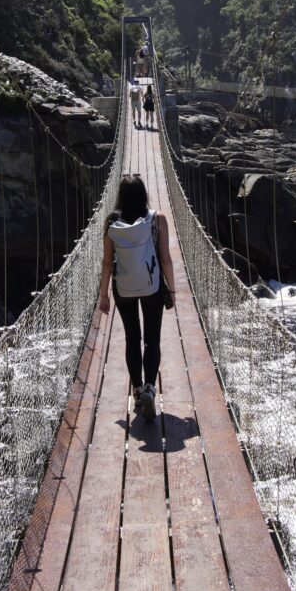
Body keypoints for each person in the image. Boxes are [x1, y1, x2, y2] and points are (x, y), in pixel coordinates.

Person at [98, 175, 176, 421]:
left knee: (133, 337)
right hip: (152, 286)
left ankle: (137, 390)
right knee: (152, 338)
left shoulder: (112, 221)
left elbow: (107, 262)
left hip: (123, 288)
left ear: (120, 196)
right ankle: (151, 388)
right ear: (144, 194)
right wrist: (172, 290)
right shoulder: (157, 219)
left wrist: (103, 295)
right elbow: (165, 258)